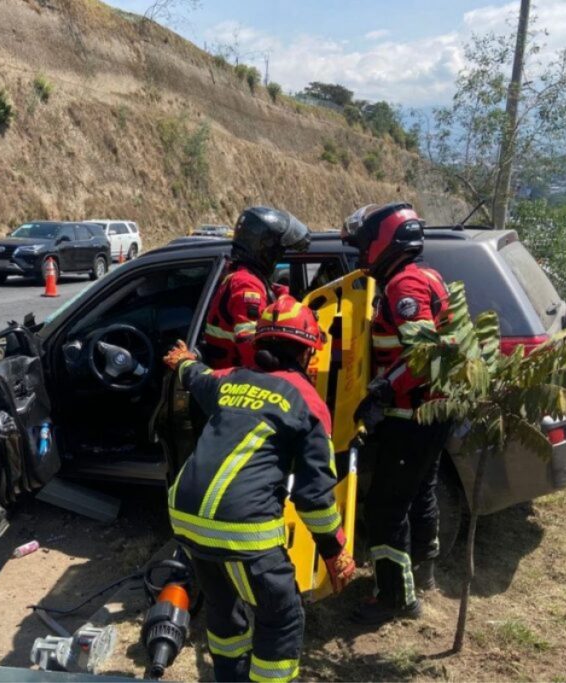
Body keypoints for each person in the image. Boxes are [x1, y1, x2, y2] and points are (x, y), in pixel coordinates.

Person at [164, 296, 356, 683]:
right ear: (306, 353)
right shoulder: (308, 402)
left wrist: (183, 360)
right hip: (243, 528)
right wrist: (335, 551)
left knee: (222, 604)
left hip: (185, 516)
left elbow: (198, 377)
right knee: (281, 617)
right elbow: (314, 497)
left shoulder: (231, 380)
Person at [340, 202, 451, 625]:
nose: (362, 253)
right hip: (431, 411)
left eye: (365, 244)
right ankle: (424, 573)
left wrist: (382, 390)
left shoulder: (404, 286)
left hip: (411, 414)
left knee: (386, 508)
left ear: (385, 241)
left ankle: (394, 598)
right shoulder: (427, 275)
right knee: (420, 491)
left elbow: (422, 354)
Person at [202, 207, 310, 369]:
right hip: (234, 378)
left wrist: (297, 303)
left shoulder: (246, 276)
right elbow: (252, 349)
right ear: (263, 249)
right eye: (278, 251)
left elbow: (271, 292)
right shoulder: (246, 284)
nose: (279, 256)